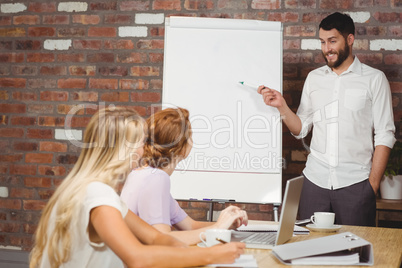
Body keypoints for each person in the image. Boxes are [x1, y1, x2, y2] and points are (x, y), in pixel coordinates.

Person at [30, 106, 245, 268]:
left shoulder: (93, 190)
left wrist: (208, 240)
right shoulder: (97, 195)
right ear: (123, 148)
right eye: (141, 143)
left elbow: (155, 238)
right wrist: (213, 254)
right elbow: (137, 258)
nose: (145, 150)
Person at [258, 12, 395, 226]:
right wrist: (281, 106)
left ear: (350, 39)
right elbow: (301, 129)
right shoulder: (314, 79)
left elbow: (385, 134)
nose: (326, 49)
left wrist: (372, 185)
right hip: (315, 183)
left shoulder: (374, 80)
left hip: (356, 185)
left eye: (332, 41)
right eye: (322, 42)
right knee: (310, 252)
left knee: (355, 252)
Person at [121, 107, 248, 245]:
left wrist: (226, 224)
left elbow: (190, 226)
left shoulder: (143, 174)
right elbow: (162, 241)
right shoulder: (156, 178)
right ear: (180, 147)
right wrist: (217, 228)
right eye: (190, 136)